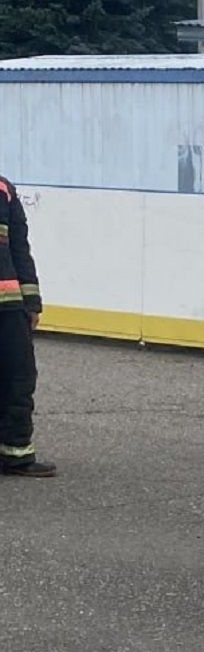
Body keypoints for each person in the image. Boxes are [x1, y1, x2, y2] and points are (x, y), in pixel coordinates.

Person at [0, 175, 54, 477]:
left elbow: (20, 248)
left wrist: (31, 302)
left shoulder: (4, 189)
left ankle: (16, 453)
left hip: (8, 307)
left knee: (19, 378)